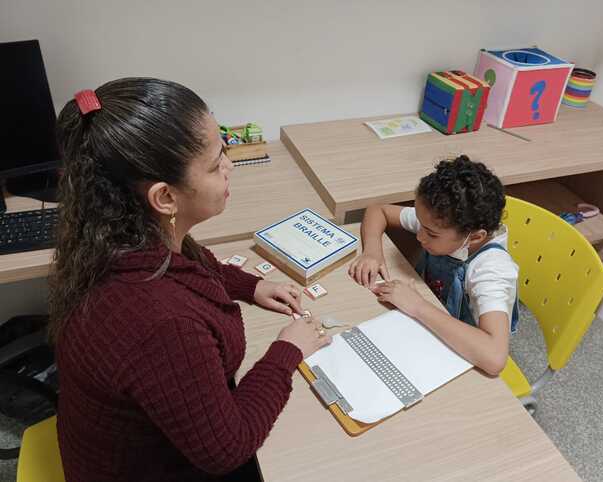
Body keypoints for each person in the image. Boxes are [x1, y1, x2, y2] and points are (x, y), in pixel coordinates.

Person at [48, 77, 331, 482]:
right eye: (217, 163)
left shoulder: (117, 235)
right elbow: (227, 449)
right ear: (165, 197)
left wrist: (250, 286)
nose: (230, 167)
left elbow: (194, 267)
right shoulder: (163, 325)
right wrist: (287, 350)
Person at [348, 155, 518, 376]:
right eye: (420, 224)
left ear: (475, 237)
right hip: (429, 323)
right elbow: (377, 210)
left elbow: (494, 358)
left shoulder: (491, 270)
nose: (419, 236)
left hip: (465, 353)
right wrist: (372, 251)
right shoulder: (440, 221)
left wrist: (418, 306)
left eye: (430, 233)